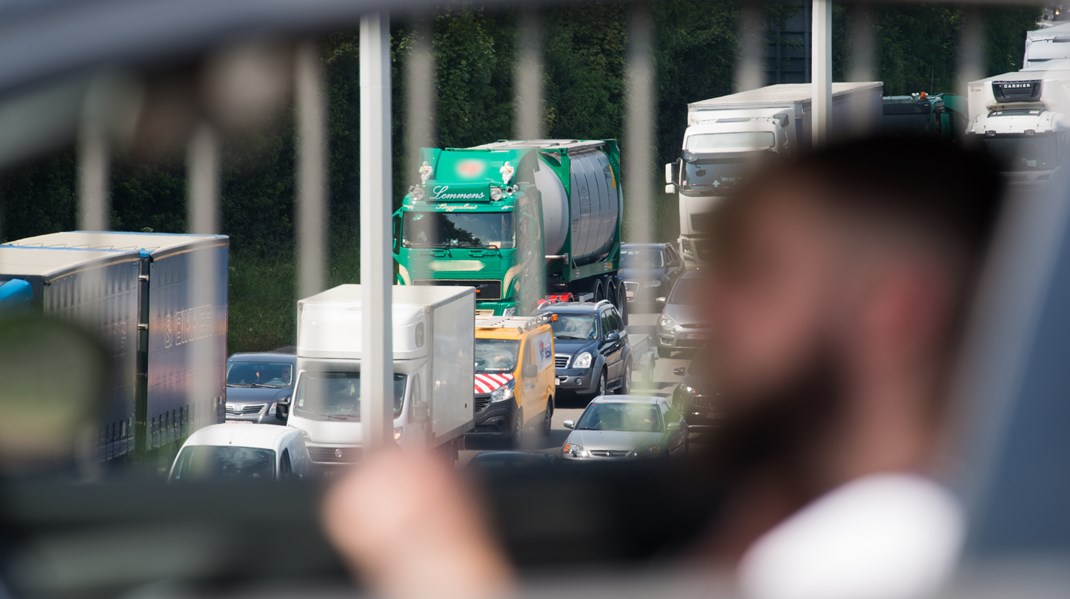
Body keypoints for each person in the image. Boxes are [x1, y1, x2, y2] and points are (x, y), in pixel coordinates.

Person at [321, 136, 1006, 599]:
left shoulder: (885, 551)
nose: (709, 301)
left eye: (759, 274)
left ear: (895, 311)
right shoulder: (800, 509)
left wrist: (437, 564)